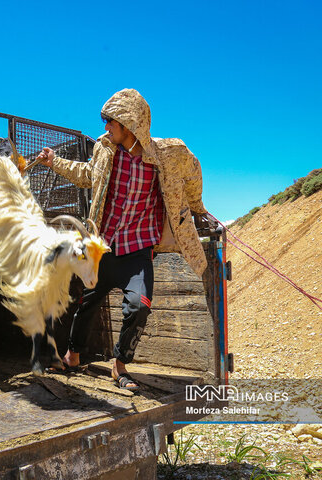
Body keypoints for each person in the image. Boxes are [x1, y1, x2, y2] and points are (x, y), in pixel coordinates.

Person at [35, 88, 209, 391]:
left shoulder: (167, 154)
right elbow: (88, 175)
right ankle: (72, 355)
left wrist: (198, 207)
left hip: (138, 252)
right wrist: (54, 162)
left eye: (110, 123)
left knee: (139, 306)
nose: (105, 129)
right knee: (87, 304)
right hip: (105, 248)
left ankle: (119, 365)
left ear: (129, 124)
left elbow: (193, 173)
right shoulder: (105, 150)